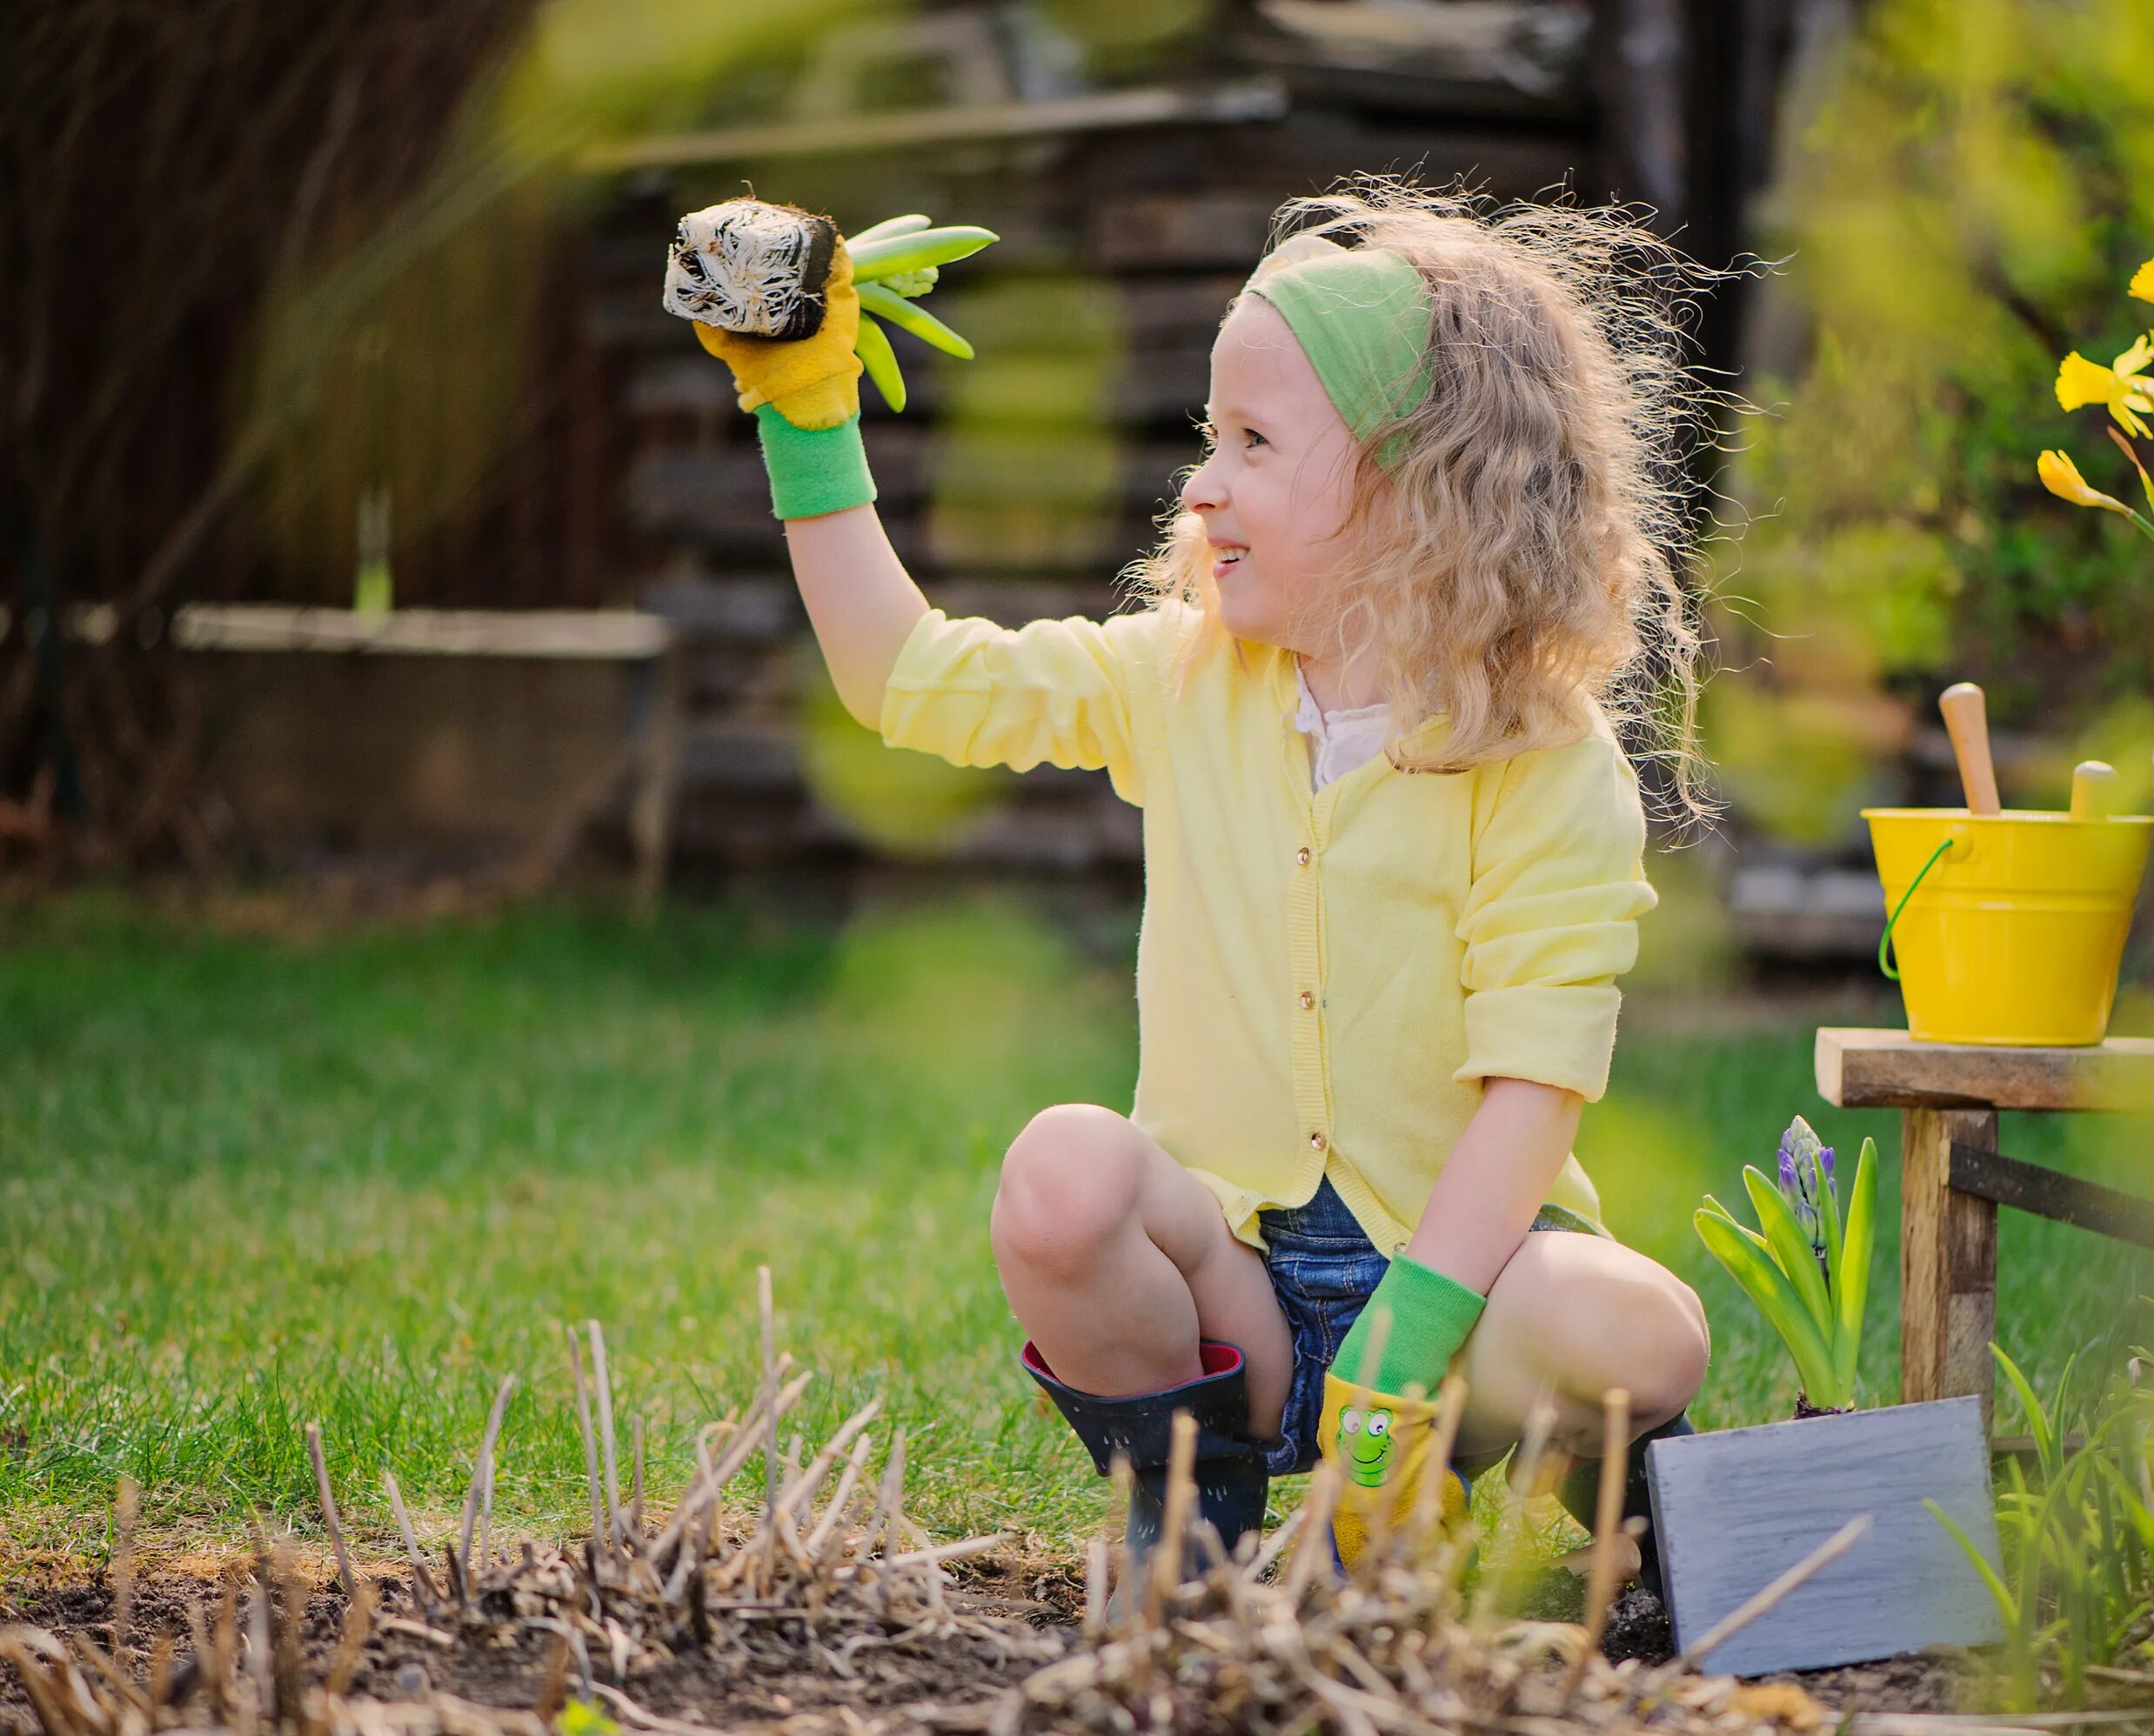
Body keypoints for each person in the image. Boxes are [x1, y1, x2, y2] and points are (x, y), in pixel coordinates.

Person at [688, 176, 1723, 1592]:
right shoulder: (1183, 678)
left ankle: (1601, 1514)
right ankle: (1197, 1518)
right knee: (1062, 1174)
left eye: (1250, 443)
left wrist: (1409, 1350)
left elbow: (1535, 1089)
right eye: (1205, 438)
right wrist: (807, 424)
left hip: (1468, 1292)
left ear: (1413, 483)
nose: (1201, 484)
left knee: (1634, 1328)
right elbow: (906, 680)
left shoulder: (1541, 757)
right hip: (1232, 1285)